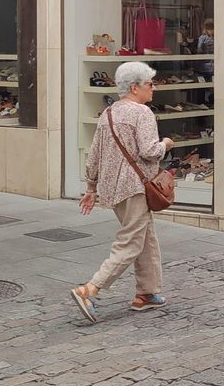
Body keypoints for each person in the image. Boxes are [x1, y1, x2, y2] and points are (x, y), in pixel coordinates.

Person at [72, 61, 173, 322]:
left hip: (114, 189)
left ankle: (147, 294)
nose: (154, 89)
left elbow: (94, 154)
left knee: (145, 237)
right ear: (134, 87)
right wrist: (166, 144)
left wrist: (91, 187)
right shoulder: (142, 113)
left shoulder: (108, 113)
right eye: (150, 84)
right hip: (136, 187)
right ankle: (90, 289)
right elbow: (150, 151)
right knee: (130, 242)